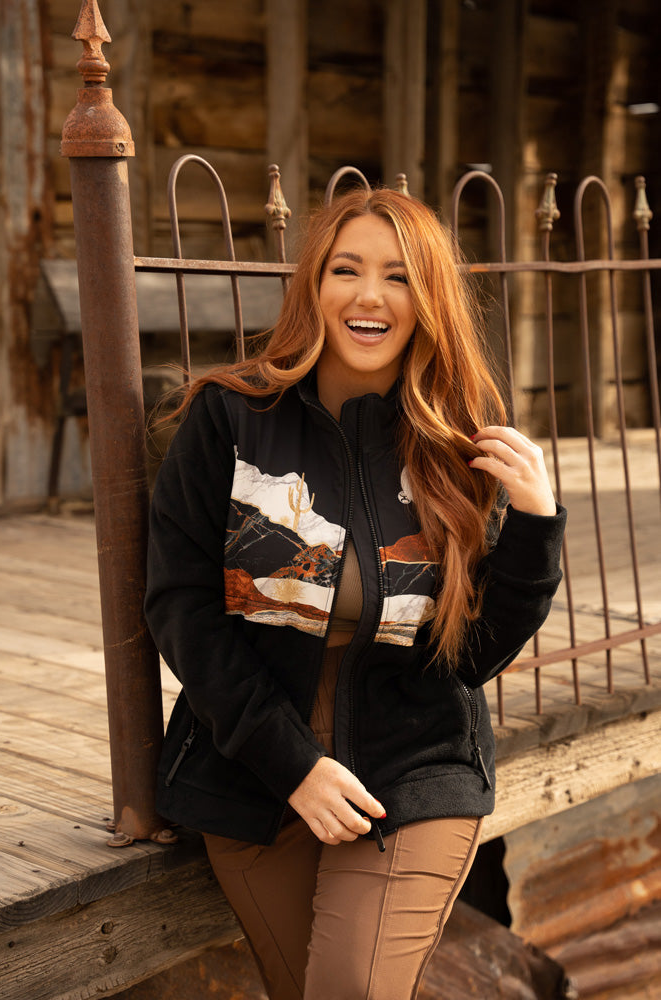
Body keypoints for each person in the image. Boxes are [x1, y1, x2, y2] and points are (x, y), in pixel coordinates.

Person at [145, 187, 566, 1000]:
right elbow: (181, 608)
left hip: (414, 764)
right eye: (346, 269)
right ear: (313, 284)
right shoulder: (230, 418)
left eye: (398, 276)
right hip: (255, 770)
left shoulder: (454, 437)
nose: (369, 295)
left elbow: (471, 655)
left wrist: (536, 526)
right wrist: (292, 764)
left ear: (428, 300)